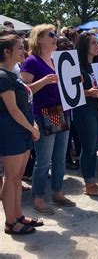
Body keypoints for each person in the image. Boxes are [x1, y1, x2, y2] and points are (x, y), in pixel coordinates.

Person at [20, 24, 75, 215]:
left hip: (60, 111)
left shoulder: (56, 60)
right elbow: (24, 91)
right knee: (44, 159)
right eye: (51, 34)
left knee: (59, 156)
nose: (55, 38)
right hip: (43, 112)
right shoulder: (32, 62)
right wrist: (44, 81)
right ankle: (39, 197)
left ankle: (57, 192)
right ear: (39, 38)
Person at [1, 34, 41, 235]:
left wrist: (31, 126)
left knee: (17, 178)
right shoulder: (2, 76)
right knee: (11, 177)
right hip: (11, 132)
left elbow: (24, 105)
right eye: (19, 48)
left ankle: (18, 215)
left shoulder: (11, 74)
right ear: (7, 52)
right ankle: (10, 222)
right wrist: (32, 128)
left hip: (22, 131)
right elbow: (13, 109)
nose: (23, 51)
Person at [73, 32, 98, 196]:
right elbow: (69, 93)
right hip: (84, 110)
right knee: (88, 148)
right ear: (84, 46)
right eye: (94, 43)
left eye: (97, 43)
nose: (97, 46)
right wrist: (87, 92)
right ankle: (89, 184)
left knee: (94, 147)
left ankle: (92, 181)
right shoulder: (76, 67)